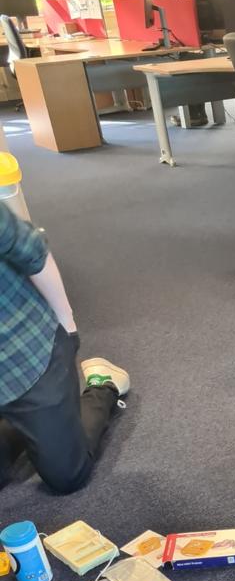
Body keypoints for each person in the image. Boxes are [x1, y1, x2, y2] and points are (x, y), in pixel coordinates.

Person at [0, 201, 129, 493]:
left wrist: (68, 329)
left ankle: (103, 385)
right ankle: (27, 425)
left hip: (28, 359)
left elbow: (34, 253)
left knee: (67, 476)